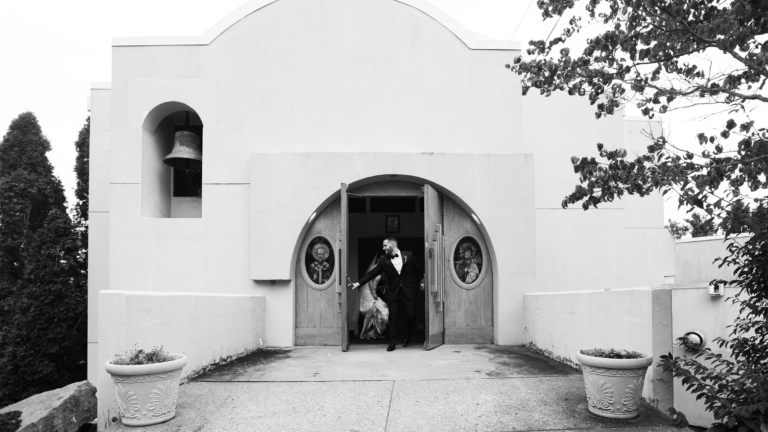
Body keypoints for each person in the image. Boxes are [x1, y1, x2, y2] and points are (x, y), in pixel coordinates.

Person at [350, 237, 424, 351]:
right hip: (393, 293)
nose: (383, 248)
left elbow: (418, 270)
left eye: (385, 246)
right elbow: (372, 274)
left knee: (411, 315)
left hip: (408, 292)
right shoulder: (384, 260)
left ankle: (409, 335)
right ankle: (392, 342)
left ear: (393, 245)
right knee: (393, 317)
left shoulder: (408, 256)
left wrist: (422, 282)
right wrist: (358, 283)